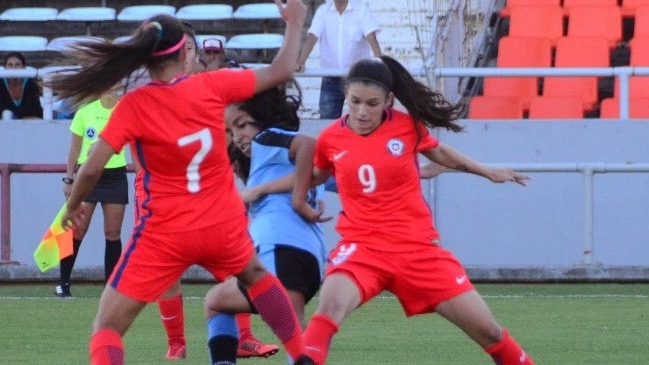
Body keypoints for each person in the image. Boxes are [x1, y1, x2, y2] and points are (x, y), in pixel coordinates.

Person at [49, 3, 316, 365]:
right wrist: (296, 20)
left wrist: (72, 205)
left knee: (106, 327)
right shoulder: (214, 85)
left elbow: (93, 167)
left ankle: (178, 345)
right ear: (185, 54)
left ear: (145, 59)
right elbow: (283, 69)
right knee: (256, 276)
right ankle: (301, 354)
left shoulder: (134, 105)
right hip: (221, 223)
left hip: (166, 232)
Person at [291, 56, 536, 365]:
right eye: (354, 101)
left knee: (490, 332)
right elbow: (316, 176)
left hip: (416, 249)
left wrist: (487, 171)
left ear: (389, 101)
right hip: (362, 248)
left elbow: (442, 154)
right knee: (327, 311)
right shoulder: (329, 140)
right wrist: (293, 194)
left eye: (372, 103)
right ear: (345, 95)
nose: (362, 111)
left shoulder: (407, 128)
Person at [148, 21, 279, 360]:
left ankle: (244, 337)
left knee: (238, 263)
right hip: (165, 193)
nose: (197, 57)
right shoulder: (157, 93)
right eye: (193, 50)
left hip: (209, 192)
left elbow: (231, 135)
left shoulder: (214, 91)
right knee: (168, 272)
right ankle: (176, 342)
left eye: (203, 52)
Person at [56, 85, 126, 298]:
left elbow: (138, 145)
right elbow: (75, 149)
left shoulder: (125, 111)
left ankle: (110, 287)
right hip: (89, 175)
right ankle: (63, 282)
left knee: (112, 232)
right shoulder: (84, 112)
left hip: (115, 175)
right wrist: (69, 178)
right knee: (77, 228)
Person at [296, 0, 381, 119]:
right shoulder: (322, 11)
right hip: (331, 80)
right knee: (327, 123)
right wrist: (301, 61)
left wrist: (381, 63)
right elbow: (312, 36)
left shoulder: (361, 10)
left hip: (357, 79)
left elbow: (371, 37)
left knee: (362, 120)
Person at [0, 52, 43, 119]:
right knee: (7, 114)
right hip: (4, 125)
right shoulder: (0, 84)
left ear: (24, 68)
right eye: (10, 65)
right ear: (5, 68)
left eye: (17, 65)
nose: (13, 68)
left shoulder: (32, 83)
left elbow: (35, 111)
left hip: (27, 123)